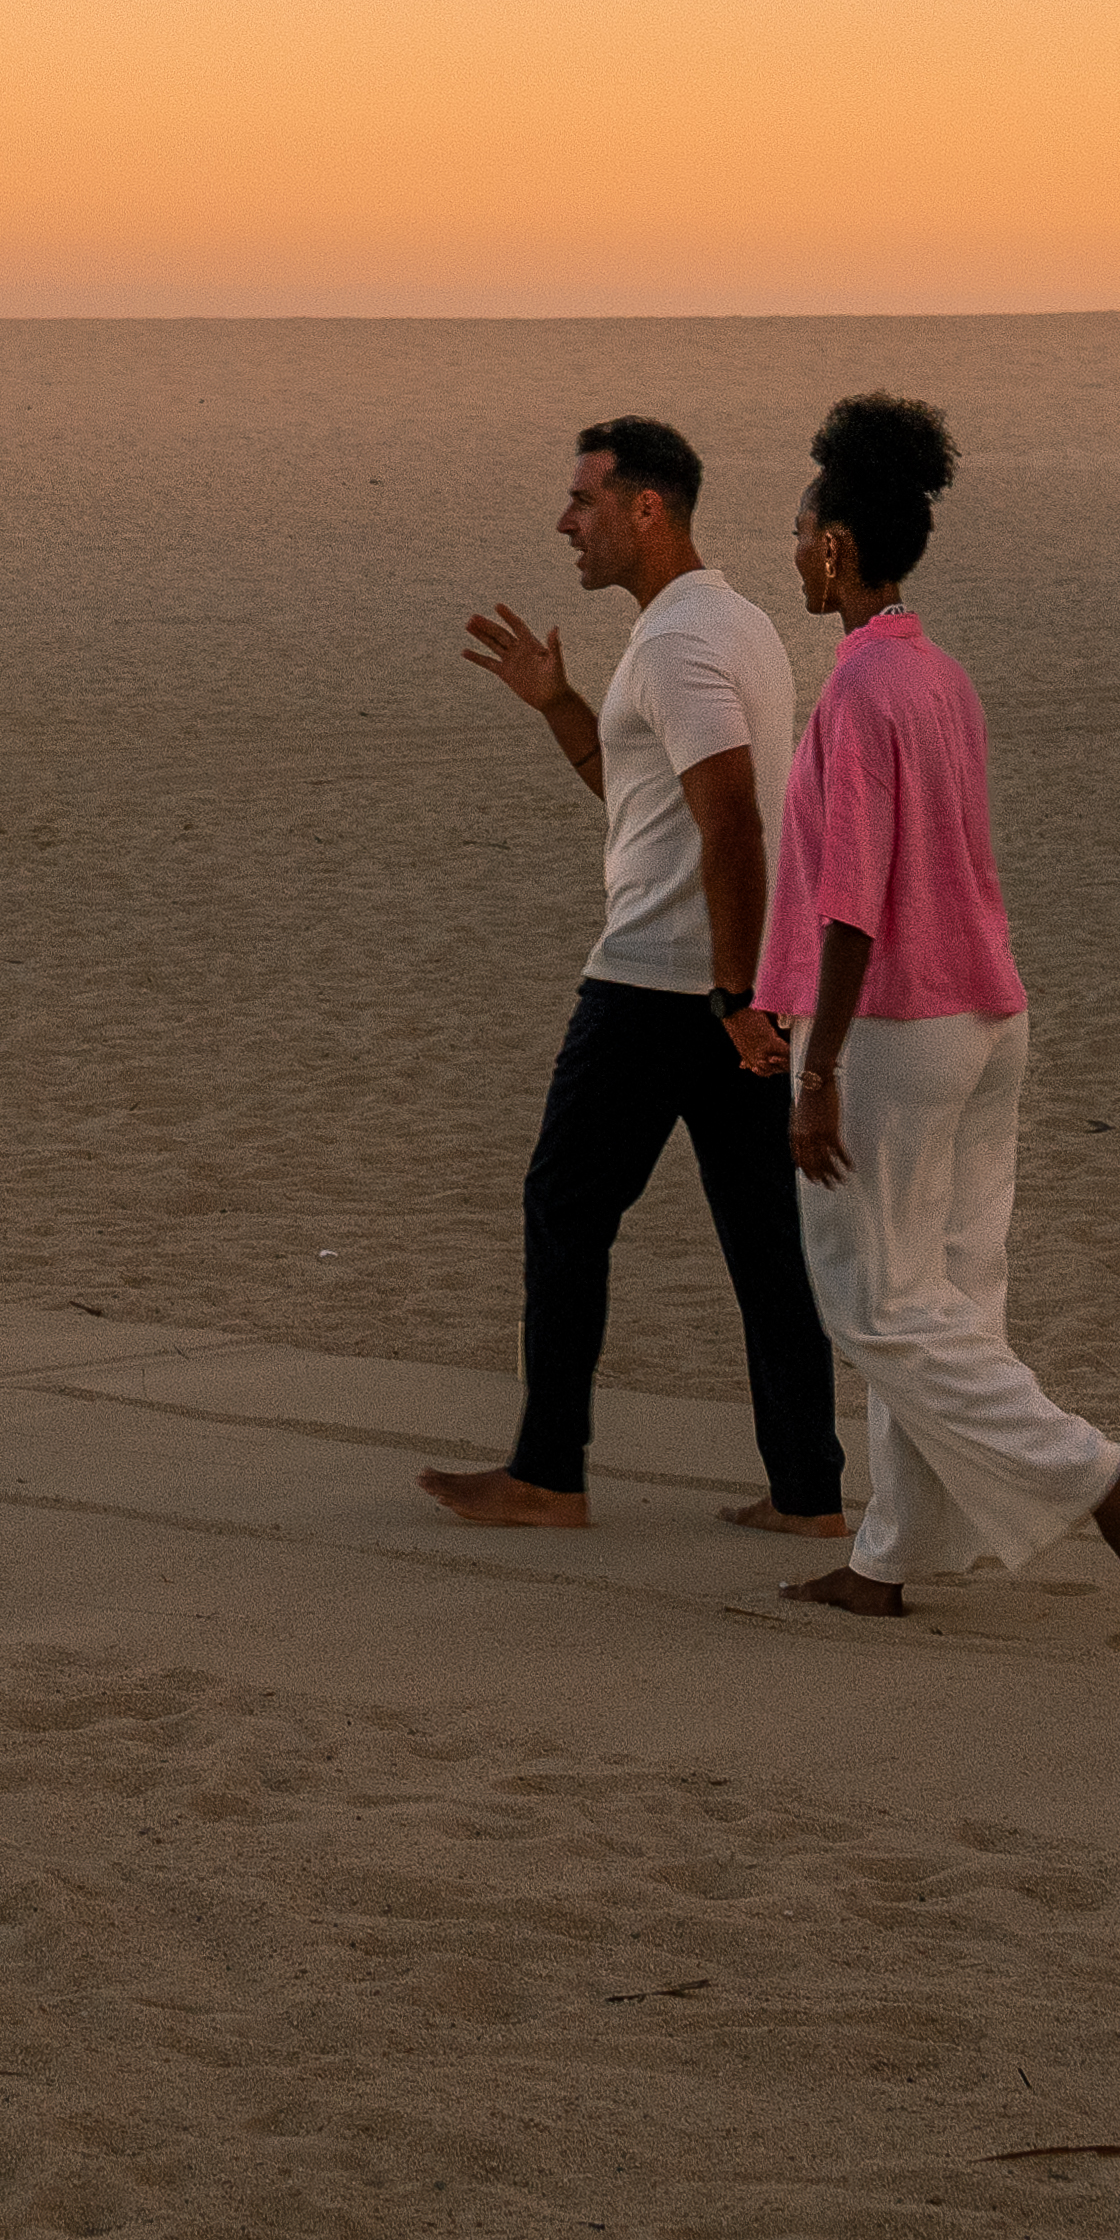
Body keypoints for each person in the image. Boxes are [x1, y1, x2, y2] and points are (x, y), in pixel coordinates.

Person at [417, 416, 852, 1538]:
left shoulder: (677, 644)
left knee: (563, 1209)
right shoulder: (730, 624)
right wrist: (560, 707)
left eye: (584, 501)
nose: (566, 522)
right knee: (764, 1247)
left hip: (662, 991)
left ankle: (547, 1476)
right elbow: (653, 813)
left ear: (645, 509)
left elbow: (732, 825)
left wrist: (728, 995)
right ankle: (806, 1491)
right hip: (720, 988)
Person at [759, 393, 1120, 1622]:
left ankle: (1094, 1474)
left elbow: (852, 906)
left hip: (896, 1030)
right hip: (988, 1018)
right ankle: (893, 1559)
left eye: (798, 526)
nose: (790, 546)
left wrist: (814, 1071)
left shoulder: (858, 695)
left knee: (874, 1302)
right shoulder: (938, 677)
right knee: (946, 1289)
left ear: (834, 547)